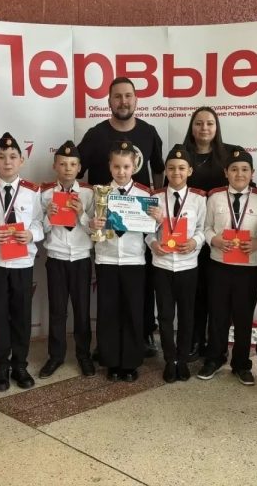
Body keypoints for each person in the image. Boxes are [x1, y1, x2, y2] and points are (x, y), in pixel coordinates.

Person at [78, 76, 165, 357]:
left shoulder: (149, 132)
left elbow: (159, 171)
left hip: (139, 227)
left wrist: (155, 204)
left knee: (140, 289)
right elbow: (76, 170)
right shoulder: (96, 135)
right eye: (117, 96)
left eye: (128, 96)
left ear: (136, 99)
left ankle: (142, 336)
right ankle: (108, 347)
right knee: (109, 295)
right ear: (109, 101)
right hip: (105, 231)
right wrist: (85, 207)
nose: (123, 101)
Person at [0, 132, 44, 392]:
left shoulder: (32, 191)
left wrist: (31, 234)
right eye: (1, 157)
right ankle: (1, 367)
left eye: (13, 156)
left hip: (22, 262)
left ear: (22, 161)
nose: (7, 161)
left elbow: (40, 223)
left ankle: (20, 365)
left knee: (21, 315)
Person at [197, 148, 257, 385]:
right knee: (217, 314)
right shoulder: (215, 197)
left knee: (244, 317)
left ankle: (241, 363)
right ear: (225, 172)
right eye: (234, 169)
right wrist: (214, 240)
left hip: (248, 268)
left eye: (245, 169)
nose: (239, 174)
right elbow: (206, 227)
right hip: (219, 265)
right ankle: (214, 358)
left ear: (252, 173)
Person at [89, 140, 156, 382]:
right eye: (116, 166)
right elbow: (89, 225)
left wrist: (157, 220)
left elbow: (151, 232)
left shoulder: (144, 195)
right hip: (106, 259)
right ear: (109, 166)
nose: (121, 172)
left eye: (126, 167)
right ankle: (111, 362)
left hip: (133, 261)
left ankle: (130, 362)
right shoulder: (100, 193)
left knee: (132, 312)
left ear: (134, 166)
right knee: (108, 312)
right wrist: (92, 224)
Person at [146, 144, 206, 382]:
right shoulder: (155, 198)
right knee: (165, 316)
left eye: (181, 168)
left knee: (187, 316)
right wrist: (153, 243)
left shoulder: (199, 199)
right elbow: (147, 231)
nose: (176, 172)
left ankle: (183, 359)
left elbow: (202, 229)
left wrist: (194, 242)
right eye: (171, 168)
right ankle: (170, 360)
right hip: (162, 266)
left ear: (190, 170)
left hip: (187, 266)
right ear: (166, 171)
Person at [181, 106, 236, 360]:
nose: (204, 128)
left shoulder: (229, 156)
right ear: (192, 127)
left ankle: (216, 345)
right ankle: (194, 340)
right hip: (189, 238)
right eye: (199, 123)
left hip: (220, 238)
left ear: (217, 127)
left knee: (217, 295)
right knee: (195, 293)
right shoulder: (182, 156)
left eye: (210, 123)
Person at [38, 140, 95, 379]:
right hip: (57, 258)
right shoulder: (45, 194)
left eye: (72, 164)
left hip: (81, 258)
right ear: (55, 166)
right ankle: (56, 356)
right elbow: (39, 230)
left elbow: (95, 230)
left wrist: (81, 214)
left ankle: (84, 355)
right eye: (62, 164)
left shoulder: (89, 193)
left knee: (82, 310)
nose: (68, 168)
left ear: (79, 167)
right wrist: (48, 217)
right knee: (57, 311)